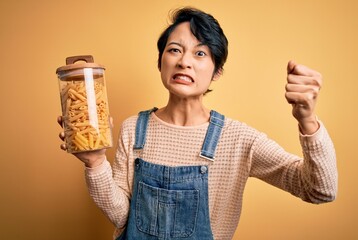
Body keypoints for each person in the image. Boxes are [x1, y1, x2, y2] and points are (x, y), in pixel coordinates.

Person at [58, 7, 338, 240]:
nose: (184, 62)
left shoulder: (239, 139)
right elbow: (123, 218)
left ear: (217, 72)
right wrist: (95, 162)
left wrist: (307, 120)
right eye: (175, 50)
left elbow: (320, 190)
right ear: (160, 62)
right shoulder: (133, 129)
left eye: (200, 53)